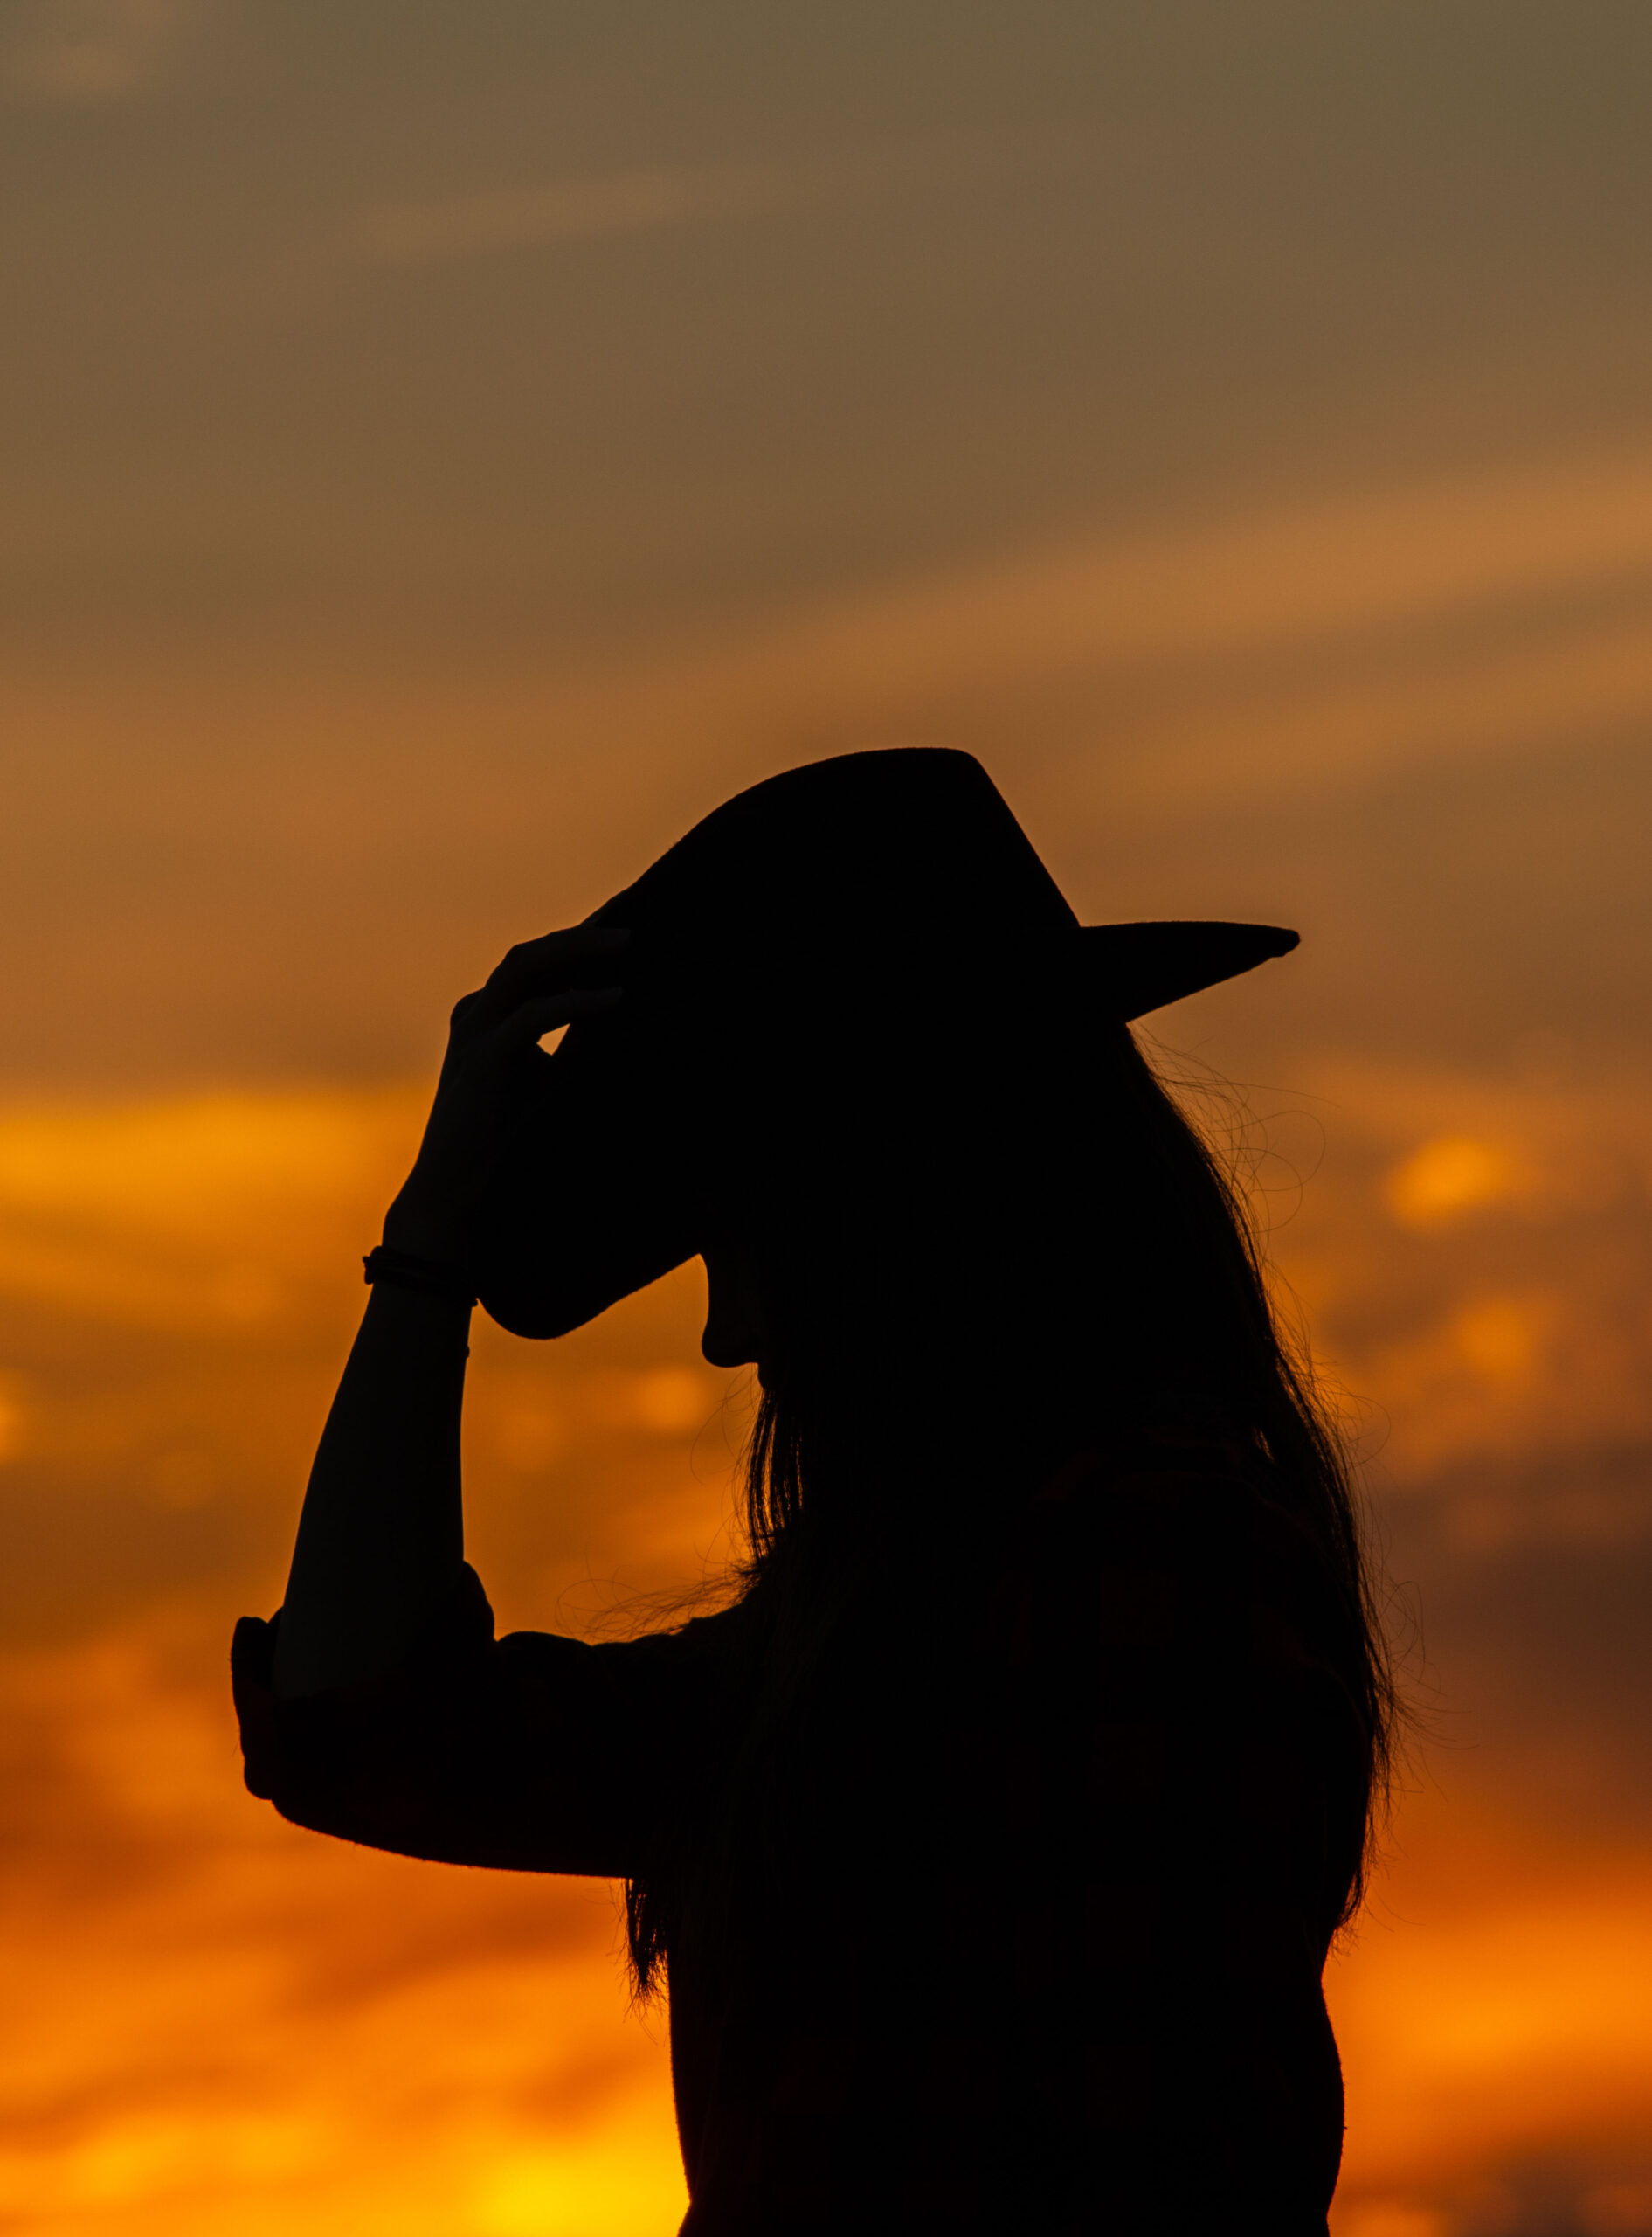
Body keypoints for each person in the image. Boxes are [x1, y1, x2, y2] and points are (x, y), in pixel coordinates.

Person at [232, 749, 1397, 2235]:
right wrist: (427, 1255)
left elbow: (1171, 2172)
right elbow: (363, 1725)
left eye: (739, 1234)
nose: (728, 1333)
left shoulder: (1152, 1559)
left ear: (879, 1206)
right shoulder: (848, 1651)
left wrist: (440, 1252)